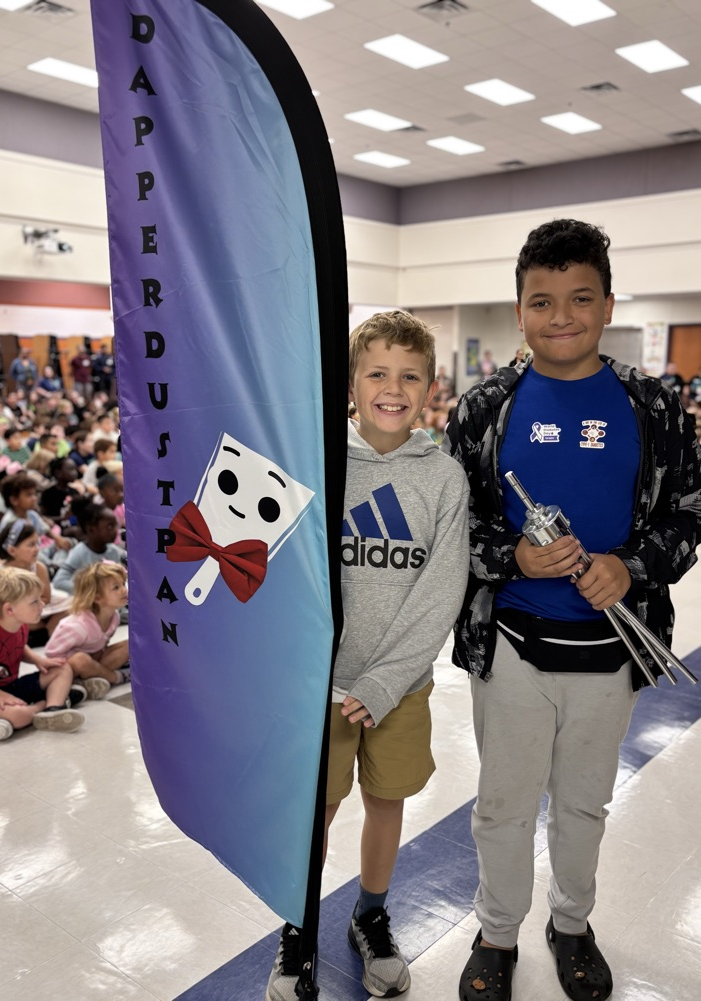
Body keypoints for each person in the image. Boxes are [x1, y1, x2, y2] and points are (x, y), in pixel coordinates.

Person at [444, 219, 701, 1001]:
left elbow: (688, 512)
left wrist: (632, 566)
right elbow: (451, 526)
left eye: (581, 298)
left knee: (585, 804)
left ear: (609, 304)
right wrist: (513, 558)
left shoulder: (653, 404)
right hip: (512, 643)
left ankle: (571, 923)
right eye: (542, 301)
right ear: (519, 310)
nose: (562, 316)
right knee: (503, 806)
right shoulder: (485, 408)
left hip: (609, 652)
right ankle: (496, 932)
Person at [266, 310, 469, 1001]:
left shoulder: (444, 479)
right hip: (319, 689)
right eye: (377, 373)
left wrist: (385, 680)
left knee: (387, 802)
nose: (393, 388)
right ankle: (298, 925)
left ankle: (371, 914)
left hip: (401, 689)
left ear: (430, 387)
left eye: (410, 376)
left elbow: (441, 591)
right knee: (314, 817)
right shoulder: (316, 464)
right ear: (350, 383)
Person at [0, 566, 85, 733]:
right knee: (19, 716)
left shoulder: (21, 625)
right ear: (9, 609)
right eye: (34, 602)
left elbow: (20, 646)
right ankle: (45, 704)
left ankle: (53, 709)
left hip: (12, 686)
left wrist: (38, 660)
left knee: (62, 668)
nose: (42, 604)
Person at [45, 561, 129, 700]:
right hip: (68, 668)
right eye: (116, 587)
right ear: (97, 598)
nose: (124, 590)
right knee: (81, 659)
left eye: (122, 584)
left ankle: (89, 681)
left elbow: (102, 645)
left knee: (129, 645)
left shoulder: (114, 617)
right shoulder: (77, 626)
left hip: (94, 661)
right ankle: (117, 677)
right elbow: (51, 654)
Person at [0, 520, 71, 640]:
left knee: (73, 608)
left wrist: (35, 607)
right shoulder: (2, 573)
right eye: (31, 545)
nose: (37, 549)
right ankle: (43, 633)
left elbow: (46, 598)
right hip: (18, 612)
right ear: (12, 550)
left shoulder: (39, 568)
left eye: (37, 543)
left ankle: (44, 632)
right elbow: (2, 603)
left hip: (42, 608)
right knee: (10, 619)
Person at [52, 499, 125, 594]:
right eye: (109, 527)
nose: (115, 531)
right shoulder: (79, 552)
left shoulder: (115, 551)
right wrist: (91, 591)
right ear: (91, 530)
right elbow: (59, 581)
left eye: (116, 526)